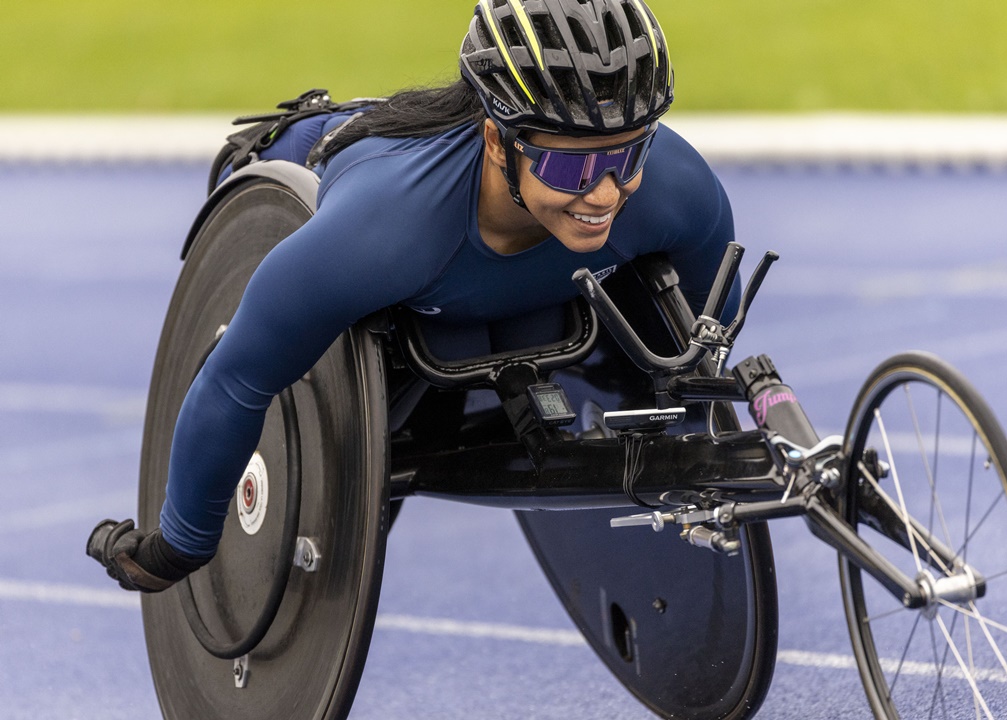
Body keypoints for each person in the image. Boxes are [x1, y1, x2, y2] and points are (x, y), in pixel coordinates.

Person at [88, 0, 739, 592]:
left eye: (626, 158)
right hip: (341, 184)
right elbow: (235, 380)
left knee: (508, 328)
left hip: (489, 282)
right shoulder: (380, 231)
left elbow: (707, 339)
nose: (604, 194)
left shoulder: (675, 188)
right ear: (497, 140)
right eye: (572, 167)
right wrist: (179, 546)